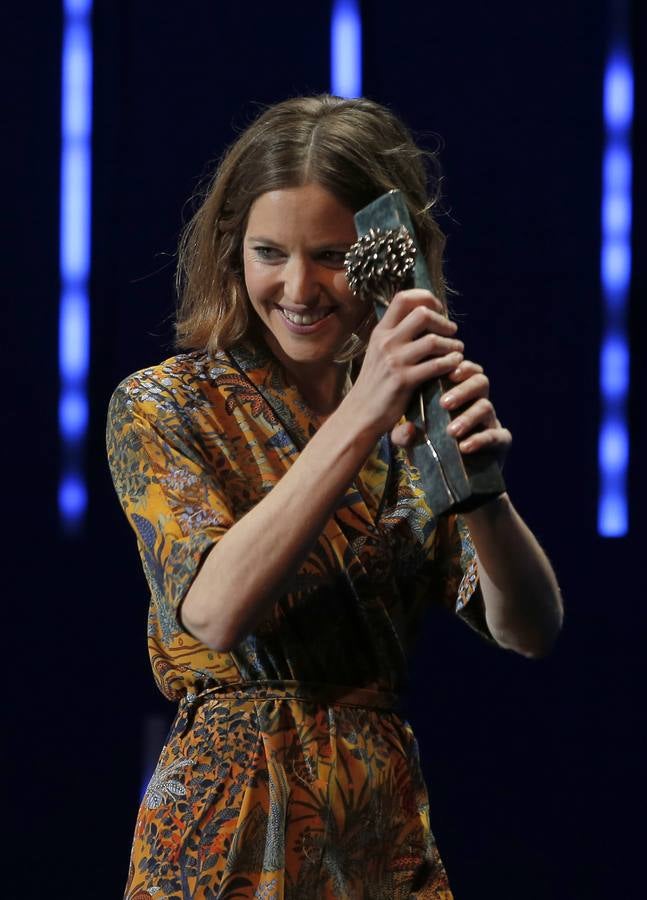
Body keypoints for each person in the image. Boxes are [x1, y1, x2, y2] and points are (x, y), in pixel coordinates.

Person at [107, 94, 563, 900]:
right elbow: (213, 611)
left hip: (376, 822)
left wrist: (479, 490)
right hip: (230, 820)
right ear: (229, 251)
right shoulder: (163, 404)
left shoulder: (409, 415)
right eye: (268, 252)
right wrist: (362, 412)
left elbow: (528, 630)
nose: (296, 285)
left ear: (389, 259)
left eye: (328, 254)